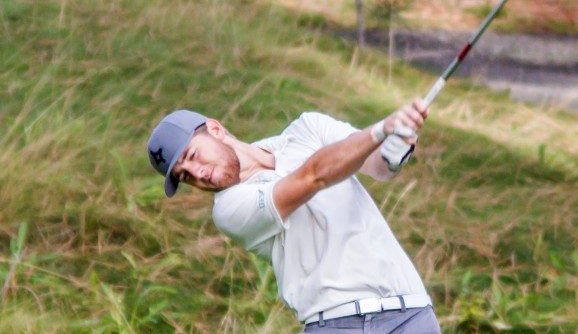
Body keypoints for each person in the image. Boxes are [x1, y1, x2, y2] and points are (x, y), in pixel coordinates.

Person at [145, 100, 440, 333]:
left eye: (192, 156)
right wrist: (380, 130)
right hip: (339, 323)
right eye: (184, 176)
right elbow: (313, 177)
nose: (196, 173)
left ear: (216, 129)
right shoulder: (228, 209)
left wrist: (396, 145)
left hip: (413, 315)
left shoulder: (308, 129)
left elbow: (377, 166)